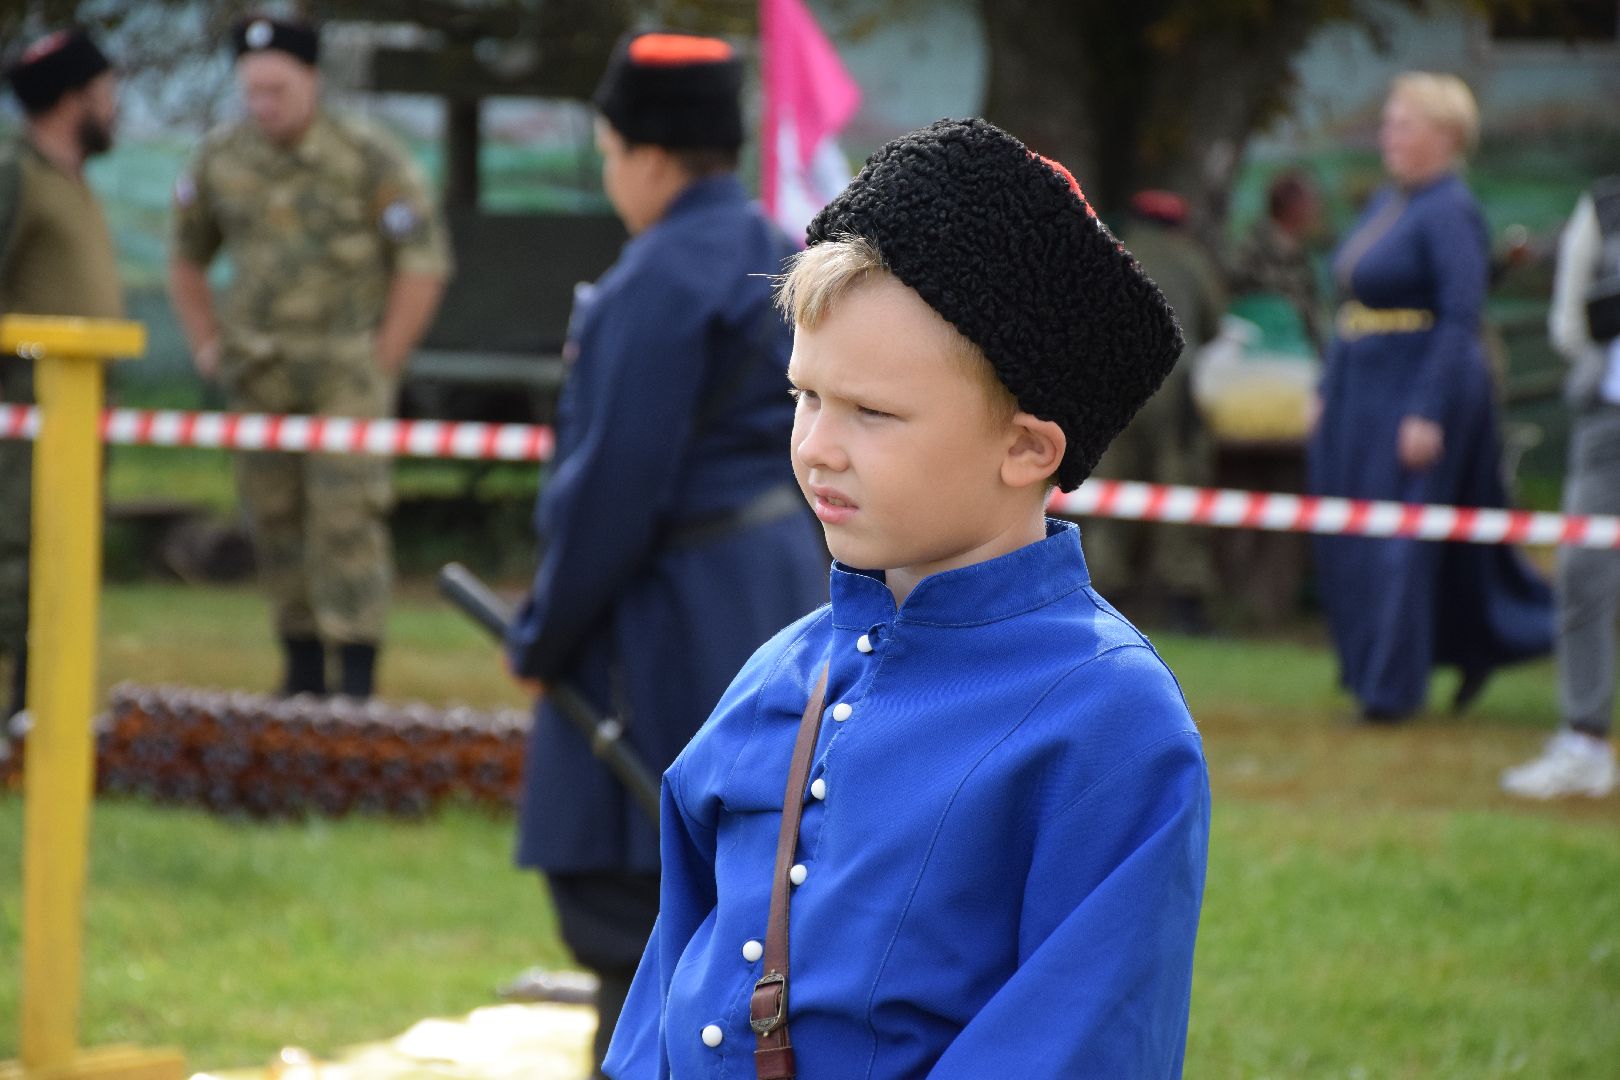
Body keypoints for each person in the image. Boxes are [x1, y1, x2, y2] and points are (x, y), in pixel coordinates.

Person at [606, 118, 1209, 1079]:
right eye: (805, 396)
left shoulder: (1111, 722)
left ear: (1027, 448)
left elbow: (1076, 1046)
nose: (817, 447)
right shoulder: (778, 674)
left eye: (873, 413)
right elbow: (667, 994)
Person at [501, 30, 828, 1078]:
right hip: (776, 593)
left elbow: (611, 490)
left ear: (646, 154)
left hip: (669, 624)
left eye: (608, 153)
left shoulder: (654, 281)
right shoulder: (777, 251)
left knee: (638, 905)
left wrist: (543, 635)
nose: (612, 176)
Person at [168, 15, 451, 700]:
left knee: (346, 519)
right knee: (273, 518)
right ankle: (298, 669)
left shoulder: (367, 156)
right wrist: (206, 342)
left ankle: (354, 678)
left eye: (278, 90)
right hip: (259, 373)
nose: (264, 105)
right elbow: (186, 256)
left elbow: (423, 259)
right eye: (253, 91)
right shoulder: (220, 159)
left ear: (312, 81)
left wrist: (384, 358)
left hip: (343, 377)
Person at [1309, 72, 1553, 723]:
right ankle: (1385, 667)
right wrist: (1328, 387)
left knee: (1401, 541)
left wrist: (1427, 409)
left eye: (1403, 125)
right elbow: (1351, 303)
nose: (1388, 137)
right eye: (1388, 124)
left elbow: (1460, 315)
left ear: (1445, 135)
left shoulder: (1450, 210)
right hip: (1363, 386)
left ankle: (1390, 692)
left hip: (1414, 387)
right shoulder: (1390, 202)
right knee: (1357, 536)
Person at [0, 28, 124, 728]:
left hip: (85, 399)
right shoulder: (14, 173)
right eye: (105, 92)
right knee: (19, 545)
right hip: (29, 401)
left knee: (66, 550)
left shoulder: (69, 177)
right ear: (72, 99)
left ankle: (39, 707)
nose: (114, 106)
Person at [1501, 177, 1620, 799]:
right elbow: (1570, 326)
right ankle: (1585, 742)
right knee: (1581, 573)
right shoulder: (1604, 208)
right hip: (1608, 421)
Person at [1084, 189, 1225, 633]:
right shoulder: (1192, 259)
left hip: (1111, 383)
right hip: (1172, 385)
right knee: (1179, 488)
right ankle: (1184, 600)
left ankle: (1101, 591)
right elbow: (1214, 323)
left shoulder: (1108, 251)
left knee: (1109, 487)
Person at [1230, 170, 1326, 352]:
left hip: (1298, 353)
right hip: (1263, 355)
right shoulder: (1254, 253)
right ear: (1294, 207)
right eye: (1311, 202)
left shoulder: (1300, 253)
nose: (1316, 209)